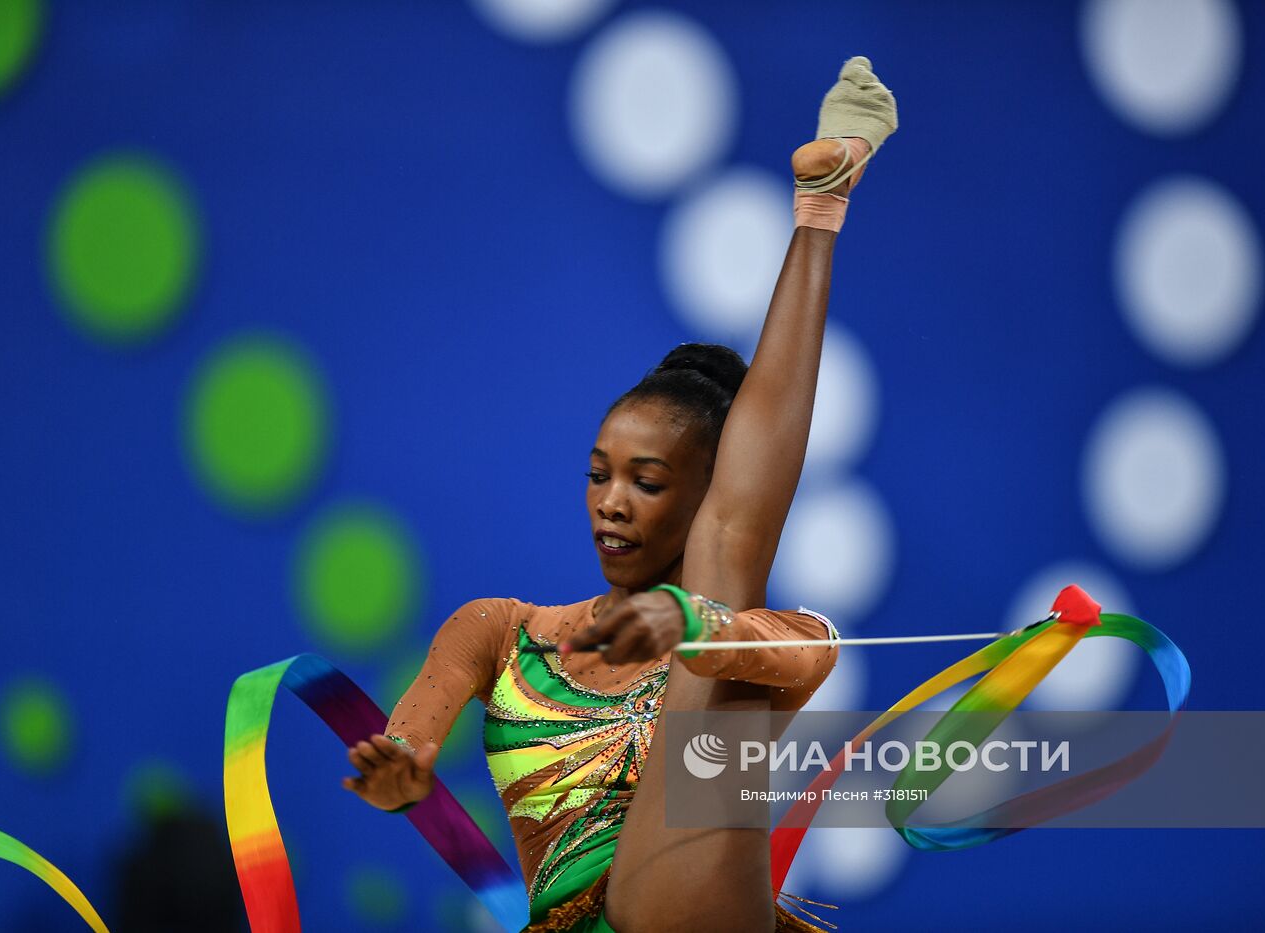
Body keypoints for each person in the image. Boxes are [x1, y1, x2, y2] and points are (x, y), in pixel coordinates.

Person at [341, 56, 898, 933]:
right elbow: (417, 727)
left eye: (646, 482)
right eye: (599, 474)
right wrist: (404, 772)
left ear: (707, 492)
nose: (611, 502)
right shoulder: (501, 631)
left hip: (693, 909)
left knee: (720, 603)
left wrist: (698, 626)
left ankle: (822, 208)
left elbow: (804, 652)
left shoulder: (741, 643)